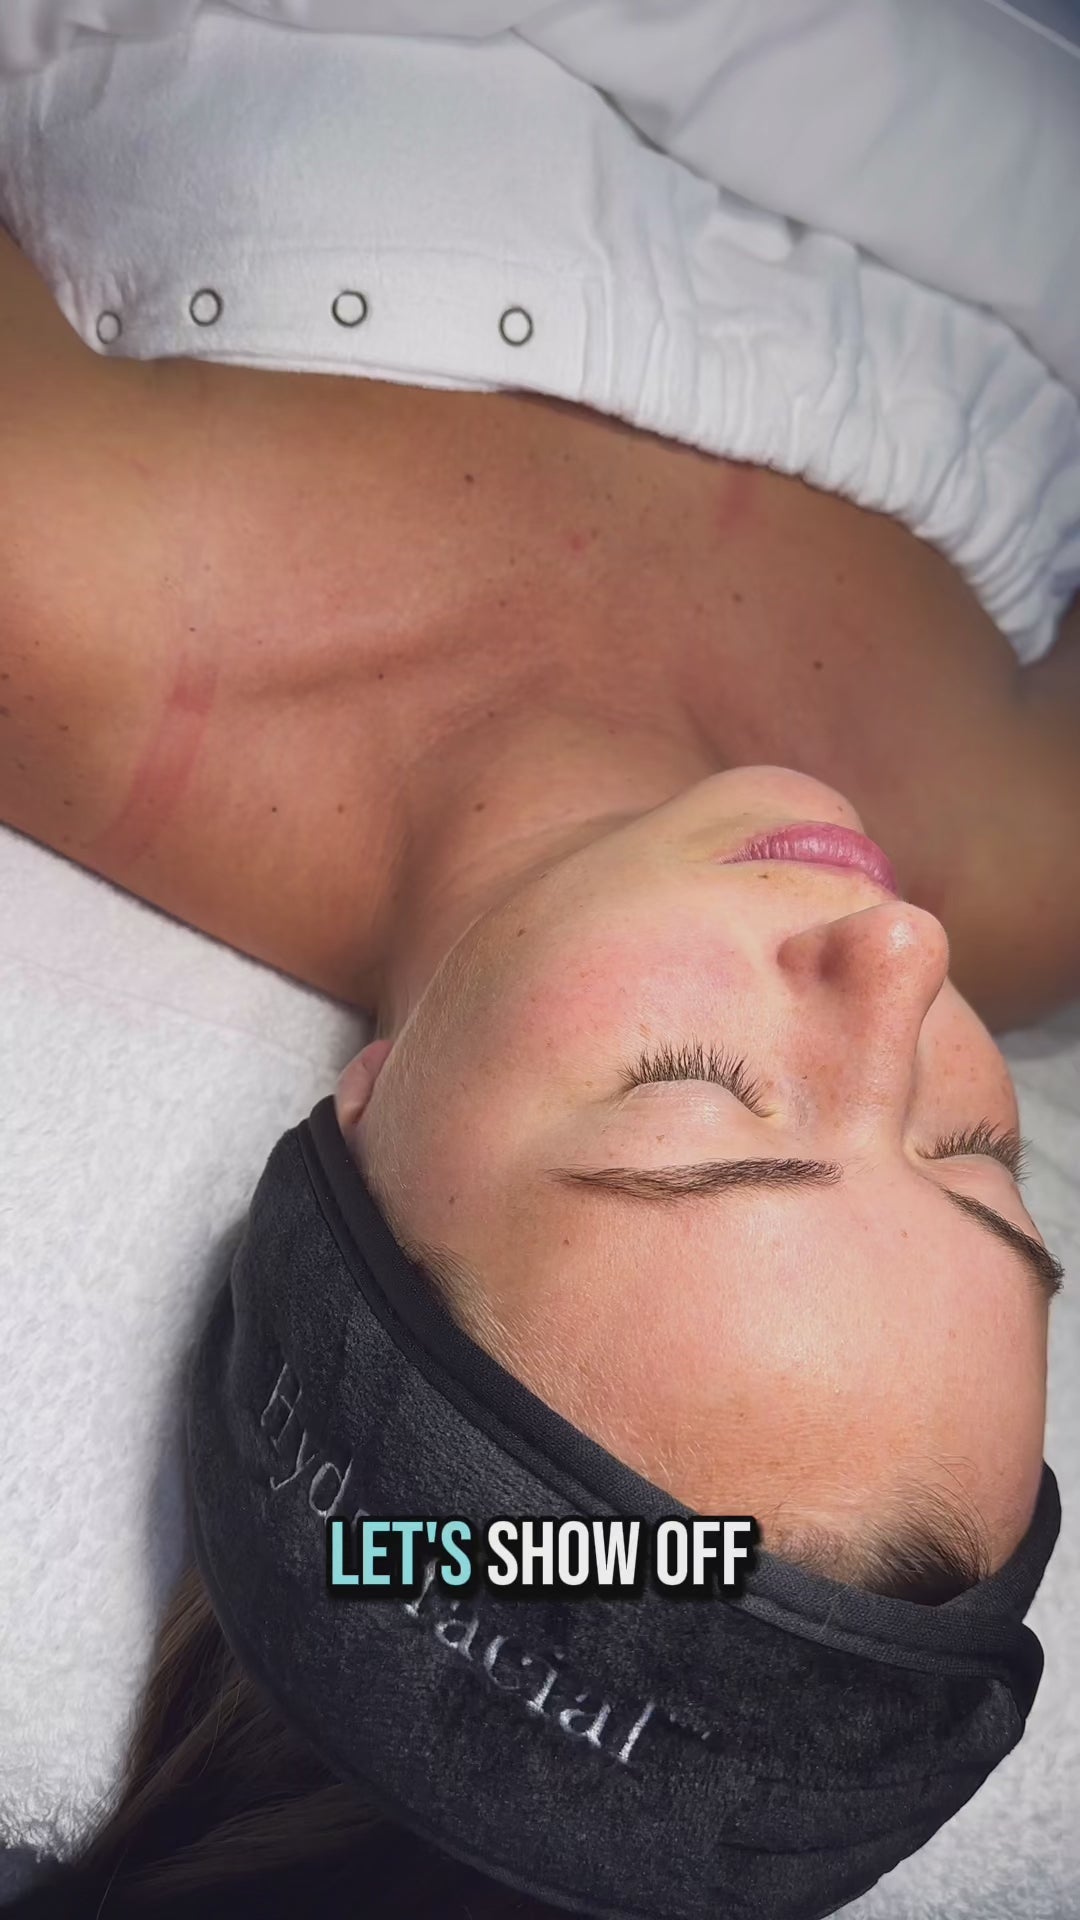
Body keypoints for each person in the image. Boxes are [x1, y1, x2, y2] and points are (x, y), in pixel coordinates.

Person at [0, 6, 1077, 1914]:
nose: (900, 961)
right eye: (970, 1163)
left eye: (701, 1105)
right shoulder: (1031, 859)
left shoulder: (55, 582)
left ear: (354, 1129)